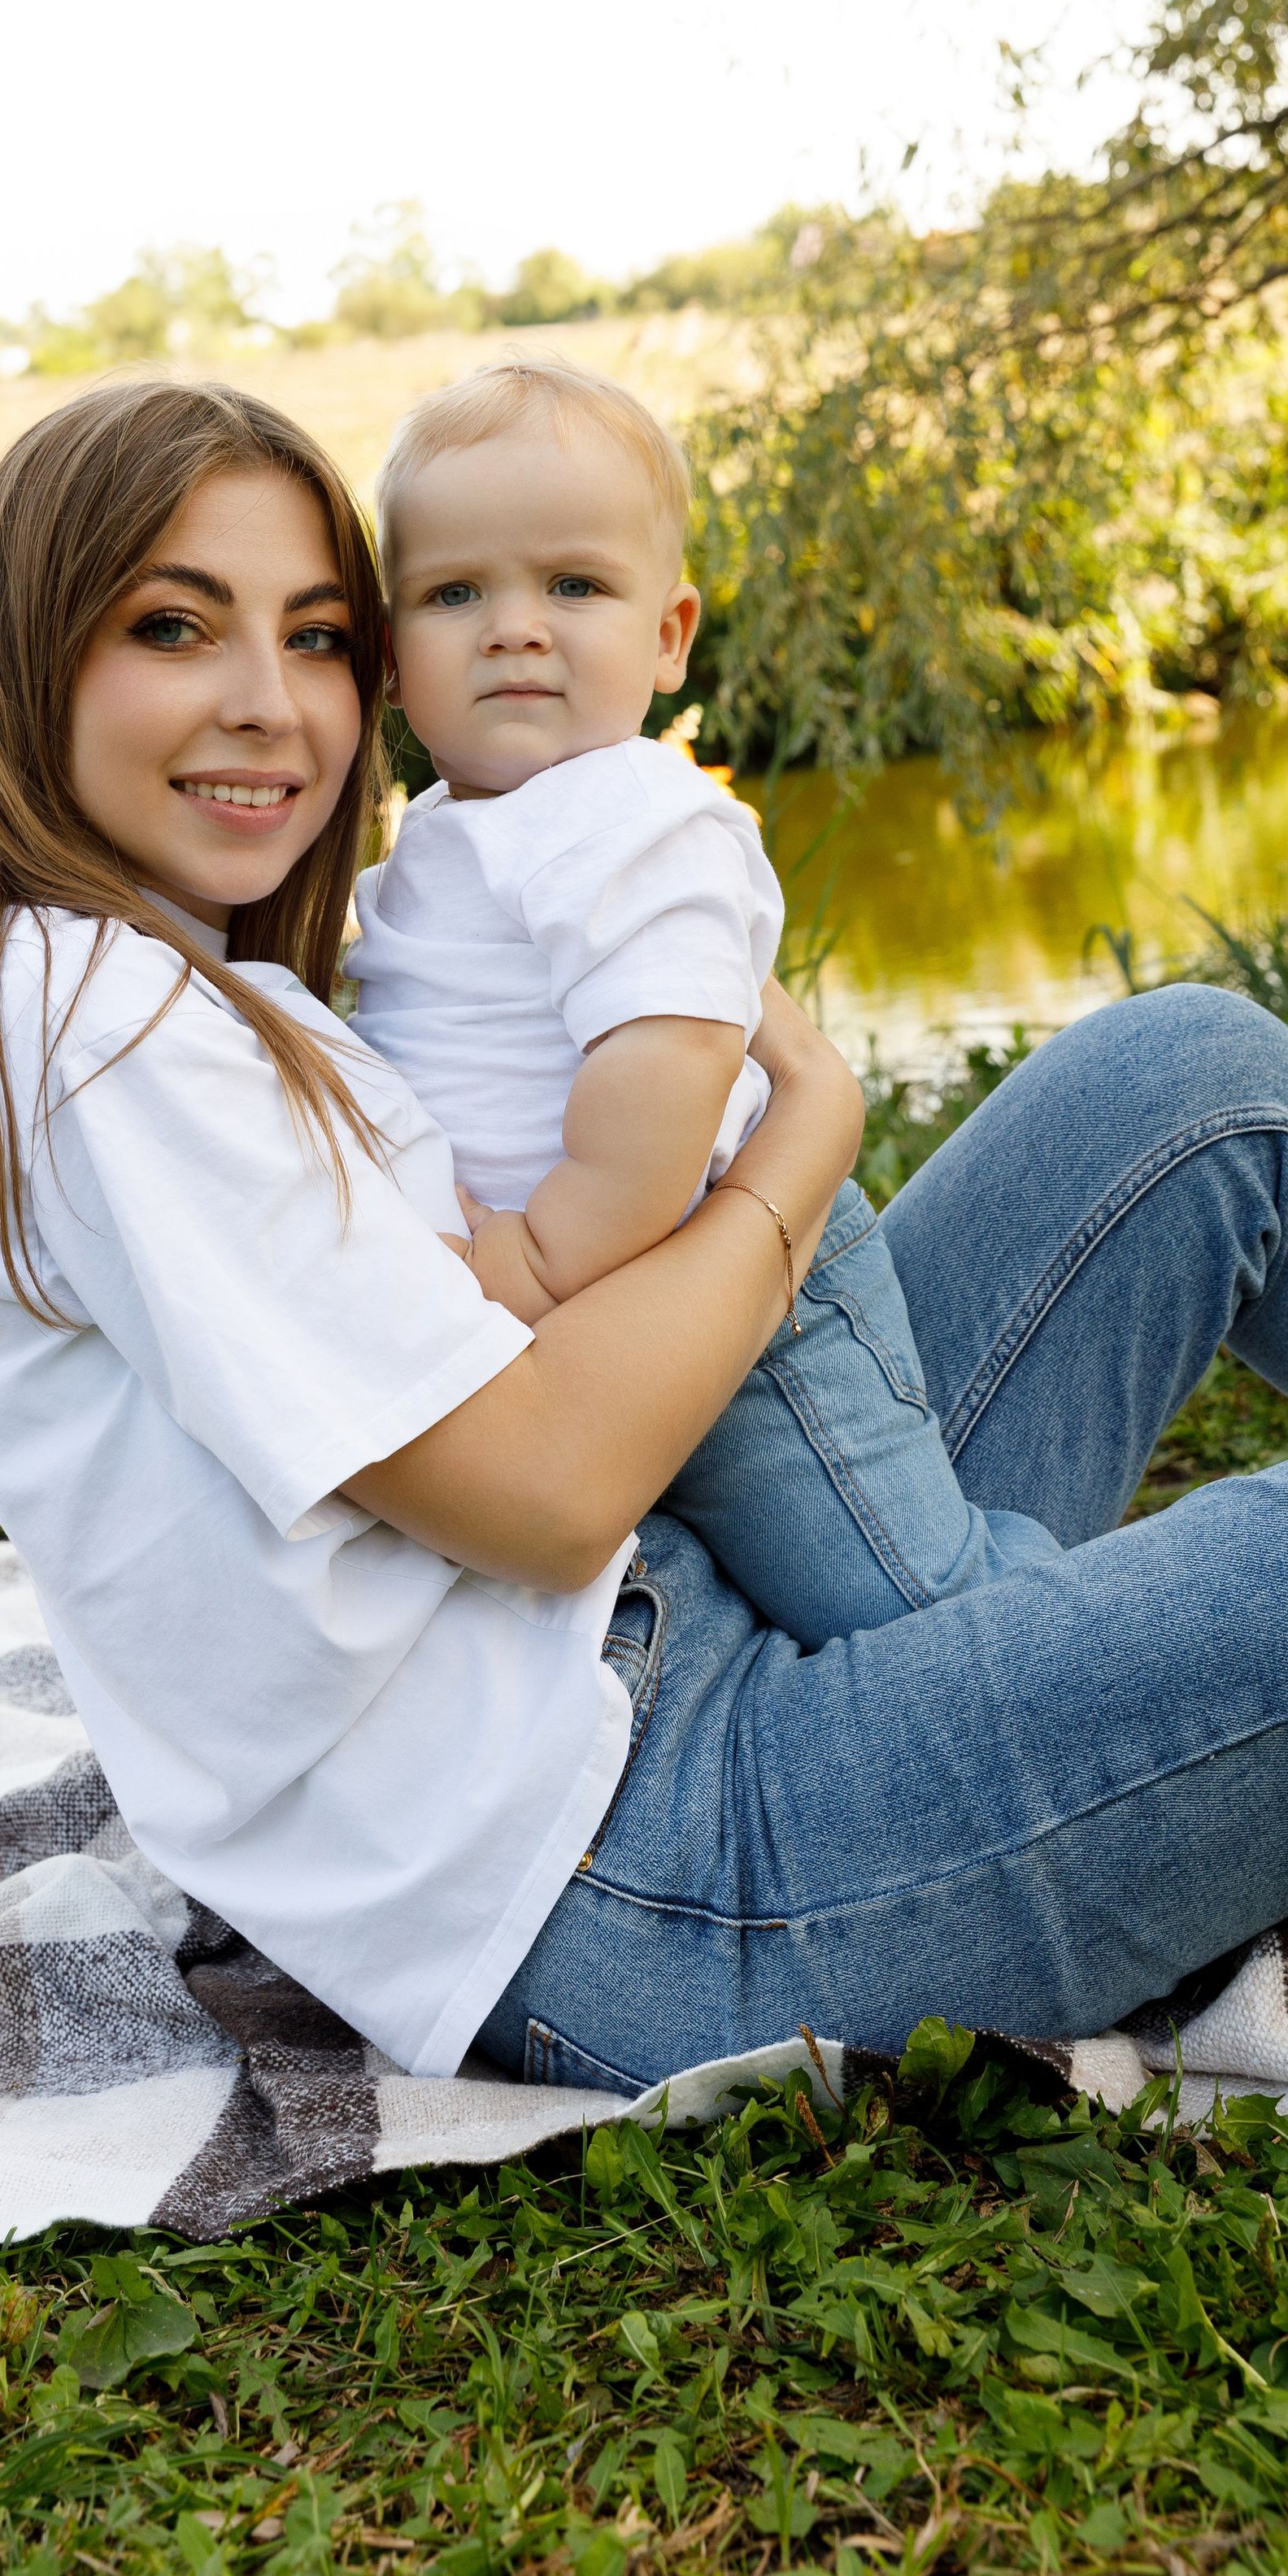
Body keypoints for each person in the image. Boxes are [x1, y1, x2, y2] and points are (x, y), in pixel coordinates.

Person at [0, 372, 1288, 2104]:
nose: (269, 703)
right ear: (27, 662)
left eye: (315, 636)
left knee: (1184, 1081)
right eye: (173, 628)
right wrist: (799, 1152)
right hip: (673, 1873)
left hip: (703, 1611)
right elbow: (544, 1501)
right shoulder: (108, 1038)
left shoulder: (121, 998)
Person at [349, 354, 1059, 1648]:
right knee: (786, 1583)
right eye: (456, 592)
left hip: (722, 1304)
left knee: (898, 1597)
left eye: (574, 585)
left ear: (668, 637)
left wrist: (540, 1254)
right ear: (391, 659)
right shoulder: (437, 842)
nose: (516, 625)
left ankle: (1116, 1646)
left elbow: (666, 1070)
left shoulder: (630, 812)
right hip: (607, 1330)